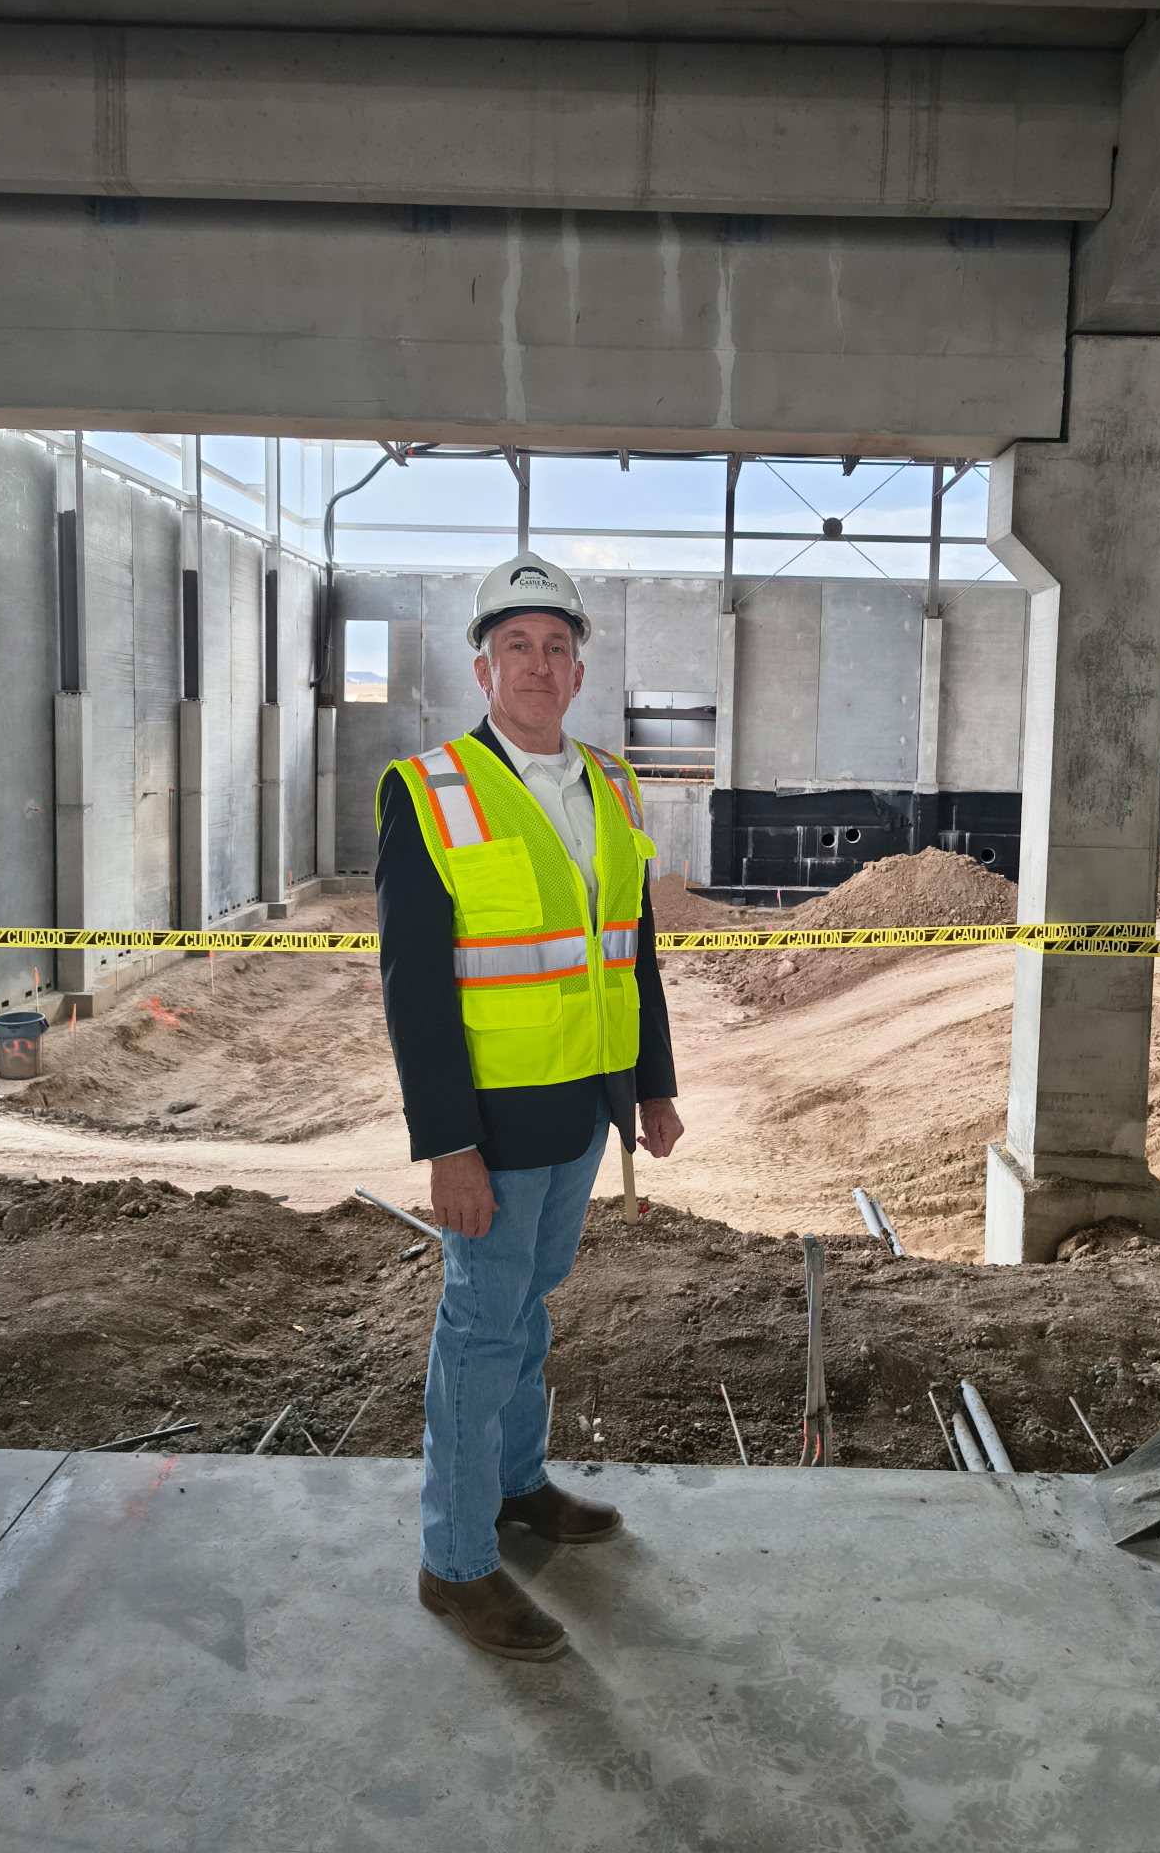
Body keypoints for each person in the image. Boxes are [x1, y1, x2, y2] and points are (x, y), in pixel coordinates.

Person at [375, 550, 684, 1660]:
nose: (540, 664)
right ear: (484, 665)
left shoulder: (610, 782)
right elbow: (414, 985)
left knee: (528, 1307)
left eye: (558, 645)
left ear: (579, 668)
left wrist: (651, 1081)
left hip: (584, 1109)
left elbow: (630, 945)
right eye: (519, 644)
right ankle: (454, 1564)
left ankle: (513, 1484)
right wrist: (448, 1145)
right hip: (493, 1127)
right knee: (479, 1325)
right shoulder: (431, 790)